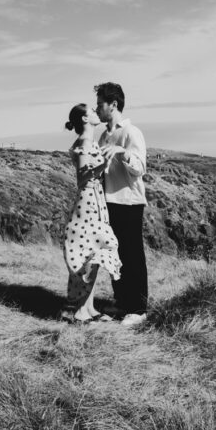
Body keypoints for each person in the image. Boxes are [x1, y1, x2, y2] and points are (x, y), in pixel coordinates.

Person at [94, 82, 148, 327]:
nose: (97, 108)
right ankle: (122, 301)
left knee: (132, 254)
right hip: (109, 202)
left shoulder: (130, 132)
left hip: (129, 201)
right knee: (114, 254)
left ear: (113, 104)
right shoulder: (105, 134)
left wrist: (121, 152)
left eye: (100, 104)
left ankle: (138, 308)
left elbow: (139, 169)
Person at [61, 103, 121, 323]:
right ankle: (80, 311)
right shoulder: (85, 142)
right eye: (92, 112)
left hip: (96, 202)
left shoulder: (91, 142)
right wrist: (103, 164)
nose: (97, 114)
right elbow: (81, 178)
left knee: (95, 254)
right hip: (88, 202)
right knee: (90, 254)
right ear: (85, 119)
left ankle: (89, 308)